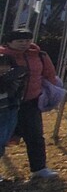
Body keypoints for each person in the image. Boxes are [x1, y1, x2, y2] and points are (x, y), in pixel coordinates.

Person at [2, 29, 58, 178]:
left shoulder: (39, 55)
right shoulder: (3, 56)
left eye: (27, 40)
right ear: (9, 42)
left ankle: (39, 168)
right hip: (5, 105)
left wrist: (48, 94)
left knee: (35, 135)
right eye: (20, 41)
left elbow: (49, 75)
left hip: (30, 102)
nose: (24, 44)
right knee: (2, 137)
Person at [0, 52, 29, 182]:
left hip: (10, 112)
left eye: (6, 65)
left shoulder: (15, 78)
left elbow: (20, 73)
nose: (3, 68)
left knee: (2, 143)